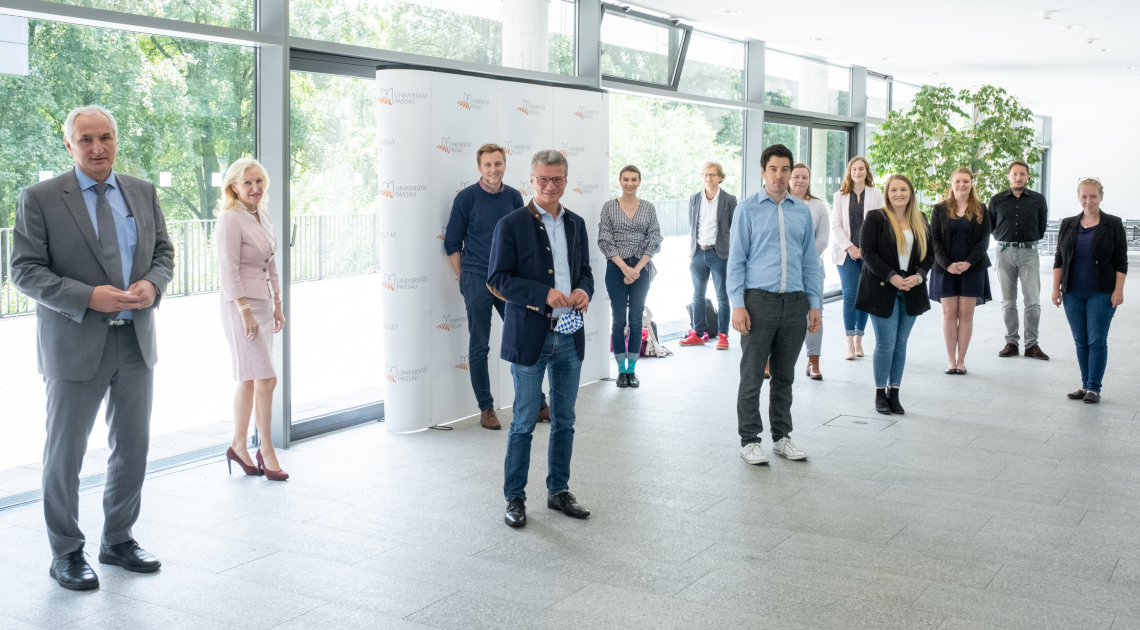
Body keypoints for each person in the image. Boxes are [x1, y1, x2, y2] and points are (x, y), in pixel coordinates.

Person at [10, 105, 174, 590]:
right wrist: (88, 297)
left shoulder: (141, 193)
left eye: (106, 137)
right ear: (69, 145)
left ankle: (118, 539)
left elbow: (164, 251)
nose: (98, 147)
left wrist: (152, 283)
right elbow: (24, 270)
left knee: (134, 447)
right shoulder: (39, 198)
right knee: (65, 454)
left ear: (116, 139)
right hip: (75, 342)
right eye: (87, 140)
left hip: (135, 340)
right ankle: (65, 551)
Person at [488, 149, 594, 528]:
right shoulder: (512, 224)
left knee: (565, 420)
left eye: (558, 179)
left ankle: (558, 491)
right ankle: (515, 498)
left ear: (567, 180)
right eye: (543, 179)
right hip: (530, 337)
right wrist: (542, 294)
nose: (551, 186)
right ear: (530, 180)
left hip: (569, 337)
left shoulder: (577, 224)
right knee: (523, 422)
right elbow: (498, 279)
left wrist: (584, 291)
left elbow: (585, 271)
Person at [444, 143, 549, 430]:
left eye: (498, 164)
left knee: (522, 339)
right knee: (479, 345)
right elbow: (452, 243)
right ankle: (486, 408)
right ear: (479, 168)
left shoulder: (515, 196)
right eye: (488, 165)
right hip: (476, 278)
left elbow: (524, 240)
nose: (493, 169)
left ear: (505, 165)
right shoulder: (466, 198)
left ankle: (538, 403)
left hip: (509, 281)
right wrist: (465, 280)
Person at [729, 144, 821, 466]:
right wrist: (736, 304)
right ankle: (750, 440)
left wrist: (815, 304)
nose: (780, 176)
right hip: (758, 302)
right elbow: (736, 261)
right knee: (752, 375)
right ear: (763, 171)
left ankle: (782, 437)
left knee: (785, 376)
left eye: (785, 170)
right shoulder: (747, 209)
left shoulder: (802, 212)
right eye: (774, 169)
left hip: (795, 303)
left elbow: (810, 261)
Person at [216, 158, 288, 481]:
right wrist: (245, 311)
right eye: (248, 183)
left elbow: (270, 263)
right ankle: (267, 450)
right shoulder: (230, 219)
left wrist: (277, 304)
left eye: (259, 182)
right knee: (267, 379)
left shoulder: (263, 216)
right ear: (234, 186)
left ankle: (238, 445)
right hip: (239, 306)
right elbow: (228, 271)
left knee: (249, 378)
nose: (255, 188)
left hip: (263, 303)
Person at [856, 174, 933, 415]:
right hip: (882, 289)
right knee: (886, 343)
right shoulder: (876, 218)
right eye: (893, 190)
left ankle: (894, 393)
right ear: (887, 194)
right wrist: (891, 276)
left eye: (903, 190)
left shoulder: (919, 218)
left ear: (911, 193)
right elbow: (868, 253)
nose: (899, 194)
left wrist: (919, 275)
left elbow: (930, 254)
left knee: (901, 344)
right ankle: (880, 394)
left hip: (911, 289)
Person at [1051, 179, 1128, 404]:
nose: (1088, 201)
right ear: (1078, 197)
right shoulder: (1067, 224)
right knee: (1080, 341)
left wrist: (1119, 290)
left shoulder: (1112, 224)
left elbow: (1121, 260)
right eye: (1084, 196)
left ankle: (1094, 387)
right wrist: (1056, 288)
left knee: (1096, 340)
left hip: (1102, 292)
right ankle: (1085, 386)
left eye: (1093, 196)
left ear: (1101, 197)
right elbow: (1059, 258)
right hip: (1072, 292)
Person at [598, 165, 662, 387]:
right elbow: (604, 240)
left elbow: (654, 238)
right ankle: (620, 371)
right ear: (619, 181)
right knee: (618, 319)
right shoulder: (608, 207)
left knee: (636, 318)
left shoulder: (648, 208)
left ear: (639, 181)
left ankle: (632, 370)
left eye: (634, 179)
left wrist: (636, 268)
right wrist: (625, 268)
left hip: (641, 267)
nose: (629, 183)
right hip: (616, 267)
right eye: (625, 179)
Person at [928, 167, 993, 375]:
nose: (962, 185)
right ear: (951, 183)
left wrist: (968, 263)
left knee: (966, 314)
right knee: (949, 314)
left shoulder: (981, 208)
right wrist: (947, 264)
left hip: (972, 269)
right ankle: (950, 360)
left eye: (966, 181)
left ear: (971, 183)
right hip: (944, 268)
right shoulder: (939, 209)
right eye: (958, 181)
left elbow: (985, 240)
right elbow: (934, 239)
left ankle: (961, 361)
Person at [989, 160, 1050, 360]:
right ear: (1009, 176)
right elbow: (991, 227)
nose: (1018, 178)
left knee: (1033, 301)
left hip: (1029, 252)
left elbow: (1041, 228)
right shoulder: (997, 200)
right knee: (1008, 302)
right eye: (1015, 174)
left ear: (1027, 177)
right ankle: (1011, 343)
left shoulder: (1038, 200)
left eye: (1022, 174)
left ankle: (1032, 345)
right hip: (1004, 252)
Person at [829, 157, 883, 361]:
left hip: (869, 253)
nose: (857, 172)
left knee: (865, 295)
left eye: (861, 169)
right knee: (850, 294)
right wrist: (850, 247)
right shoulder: (839, 195)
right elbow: (835, 225)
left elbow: (880, 222)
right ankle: (849, 343)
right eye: (854, 169)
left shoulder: (876, 193)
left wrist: (865, 249)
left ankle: (860, 339)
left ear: (866, 171)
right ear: (849, 172)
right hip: (846, 253)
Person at [679, 162, 737, 349]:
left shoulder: (729, 200)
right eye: (705, 174)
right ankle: (697, 333)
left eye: (712, 174)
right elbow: (692, 224)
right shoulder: (694, 198)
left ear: (721, 177)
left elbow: (733, 228)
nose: (708, 178)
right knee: (698, 296)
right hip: (698, 253)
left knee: (722, 296)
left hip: (719, 254)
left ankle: (723, 335)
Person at [790, 163, 829, 380]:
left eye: (805, 177)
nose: (800, 181)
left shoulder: (817, 206)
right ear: (789, 178)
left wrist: (802, 260)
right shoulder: (779, 203)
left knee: (814, 313)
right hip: (783, 269)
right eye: (796, 176)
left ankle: (813, 361)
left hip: (811, 268)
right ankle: (768, 360)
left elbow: (822, 239)